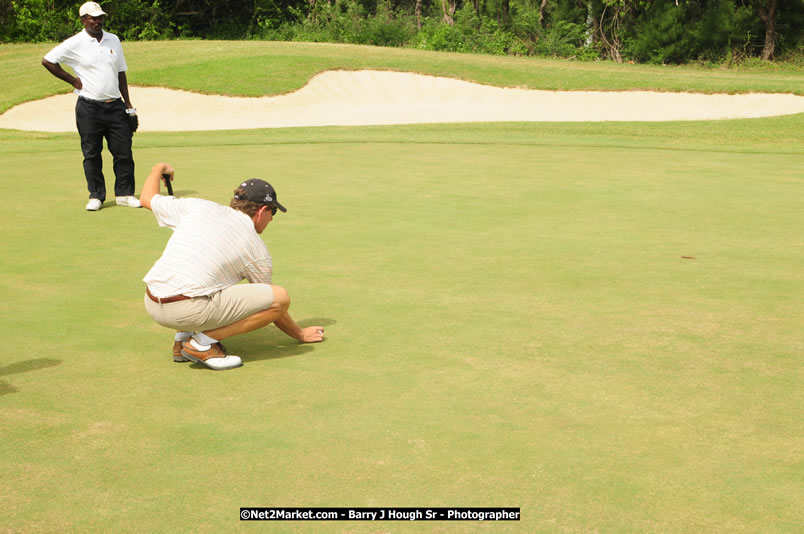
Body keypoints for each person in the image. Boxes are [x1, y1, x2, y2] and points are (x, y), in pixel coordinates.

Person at [140, 162, 326, 370]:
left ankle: (181, 342)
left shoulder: (197, 206)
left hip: (152, 303)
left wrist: (158, 168)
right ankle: (201, 344)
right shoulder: (256, 248)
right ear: (262, 210)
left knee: (213, 282)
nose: (272, 219)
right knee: (280, 297)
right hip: (186, 310)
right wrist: (299, 333)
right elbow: (273, 306)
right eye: (273, 213)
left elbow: (146, 198)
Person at [41, 1, 140, 212]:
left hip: (115, 107)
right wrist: (73, 81)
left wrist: (129, 106)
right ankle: (96, 195)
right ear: (83, 20)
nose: (98, 21)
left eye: (100, 17)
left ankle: (124, 194)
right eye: (93, 18)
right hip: (89, 108)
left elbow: (121, 72)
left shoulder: (113, 40)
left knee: (123, 153)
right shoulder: (75, 42)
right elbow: (48, 60)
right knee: (92, 154)